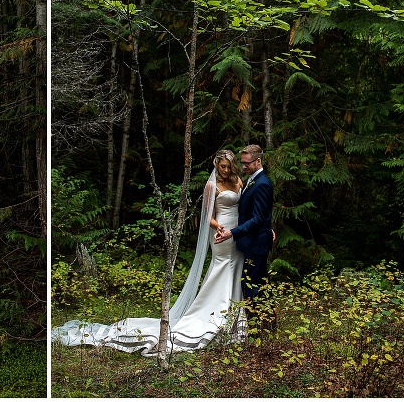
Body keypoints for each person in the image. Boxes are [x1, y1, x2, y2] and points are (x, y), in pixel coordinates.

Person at [53, 149, 247, 355]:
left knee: (237, 268)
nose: (225, 170)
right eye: (221, 166)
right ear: (217, 165)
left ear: (233, 165)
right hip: (220, 233)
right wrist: (219, 228)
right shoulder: (211, 185)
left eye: (228, 166)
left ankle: (237, 315)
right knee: (222, 268)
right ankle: (216, 313)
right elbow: (207, 215)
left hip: (238, 231)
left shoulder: (238, 182)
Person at [215, 144, 274, 328]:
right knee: (260, 286)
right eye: (243, 163)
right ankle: (266, 328)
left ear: (258, 161)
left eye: (247, 164)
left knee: (253, 289)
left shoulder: (262, 183)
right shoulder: (252, 180)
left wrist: (232, 233)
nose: (244, 167)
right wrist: (267, 226)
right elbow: (259, 212)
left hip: (255, 244)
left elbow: (256, 218)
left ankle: (257, 330)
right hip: (253, 241)